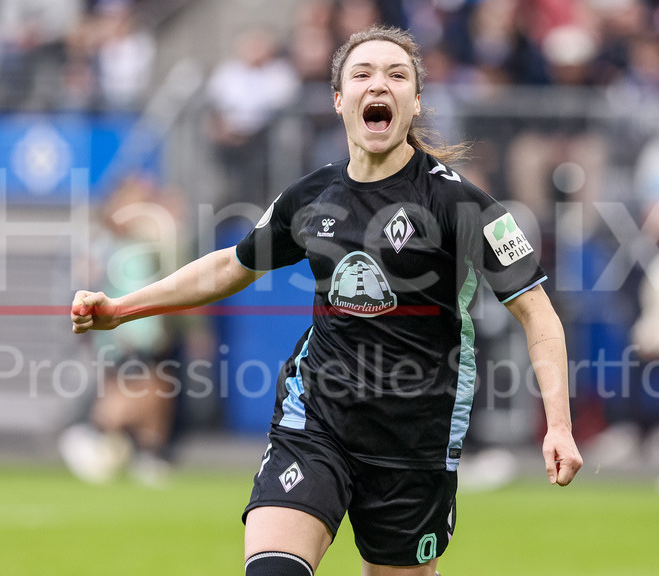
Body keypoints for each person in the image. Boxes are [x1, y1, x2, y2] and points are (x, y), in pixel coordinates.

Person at [70, 25, 581, 576]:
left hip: (415, 443)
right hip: (316, 420)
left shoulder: (464, 205)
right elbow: (229, 266)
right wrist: (123, 307)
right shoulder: (311, 196)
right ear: (340, 100)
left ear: (415, 101)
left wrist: (558, 425)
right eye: (361, 74)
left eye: (396, 74)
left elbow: (538, 313)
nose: (377, 84)